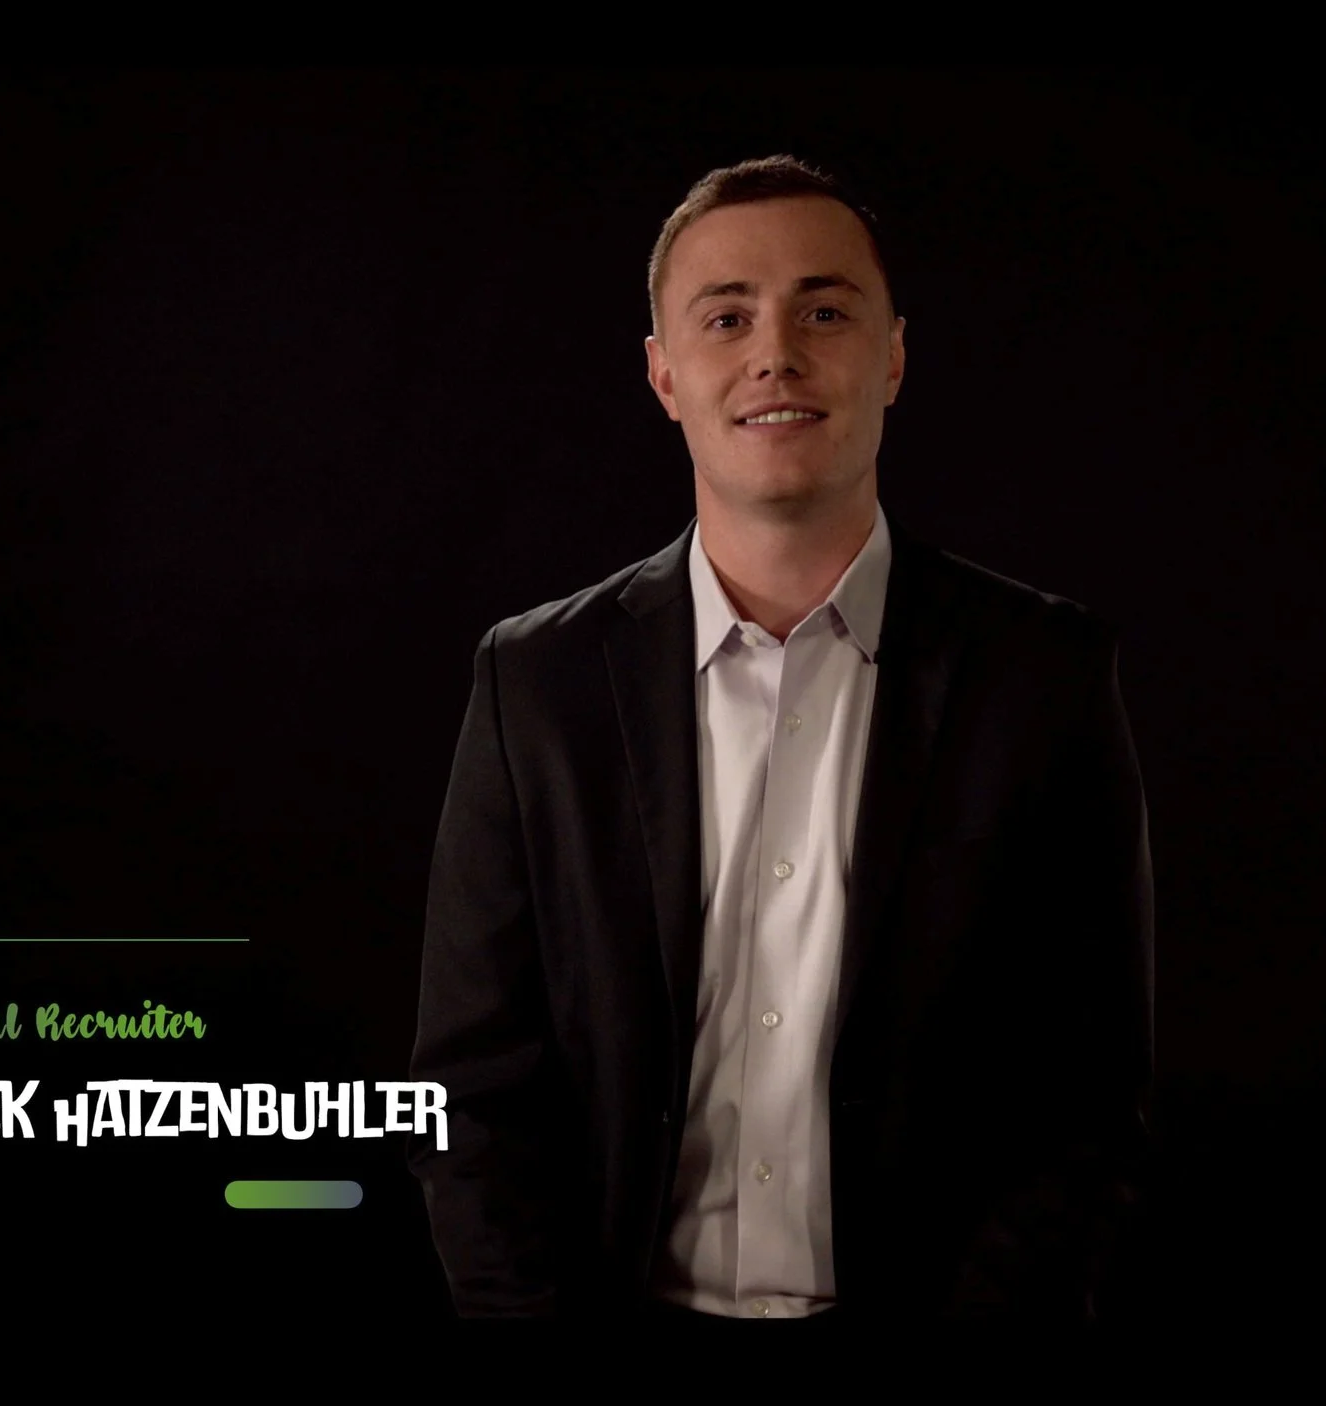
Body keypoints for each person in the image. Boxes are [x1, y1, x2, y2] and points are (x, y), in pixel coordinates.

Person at [407, 155, 1154, 1321]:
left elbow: (1084, 1097)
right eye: (725, 316)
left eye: (824, 309)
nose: (775, 353)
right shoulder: (535, 684)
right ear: (663, 373)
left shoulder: (1042, 678)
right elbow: (470, 1094)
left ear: (894, 354)